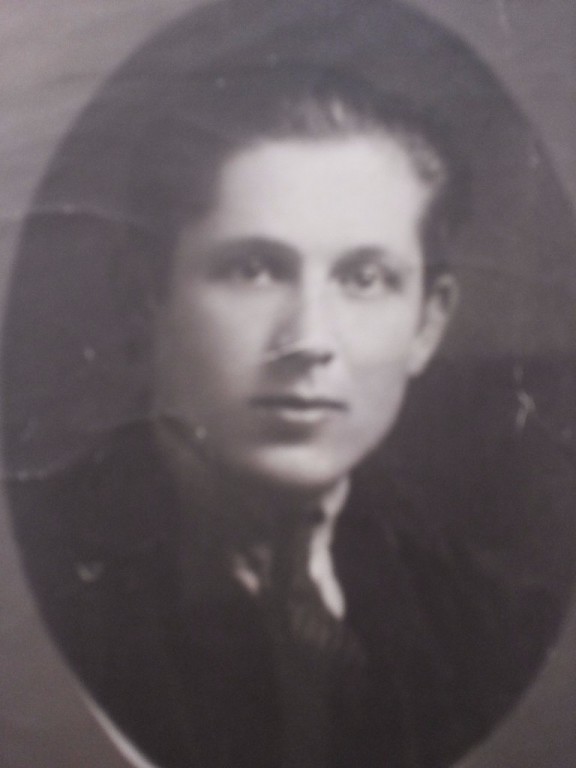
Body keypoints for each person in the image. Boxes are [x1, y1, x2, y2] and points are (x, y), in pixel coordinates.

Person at [6, 65, 574, 768]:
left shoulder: (489, 624)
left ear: (428, 323)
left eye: (365, 279)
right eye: (254, 269)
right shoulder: (39, 587)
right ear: (146, 294)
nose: (308, 340)